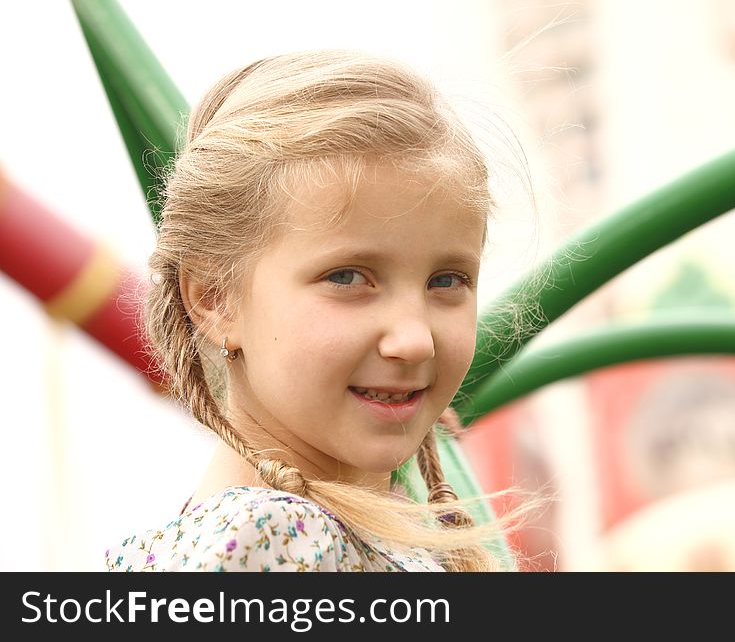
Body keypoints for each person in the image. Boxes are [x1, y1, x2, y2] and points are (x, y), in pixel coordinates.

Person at [105, 50, 539, 572]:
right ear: (215, 298)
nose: (415, 340)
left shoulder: (309, 537)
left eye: (446, 280)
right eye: (348, 277)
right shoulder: (277, 542)